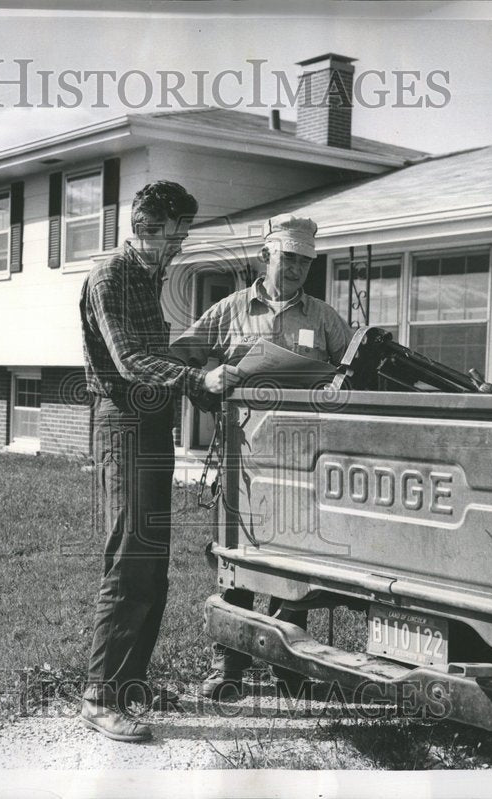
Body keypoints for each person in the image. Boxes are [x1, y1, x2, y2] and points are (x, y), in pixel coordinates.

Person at [78, 181, 241, 742]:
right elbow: (129, 360)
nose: (181, 245)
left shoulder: (148, 275)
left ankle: (131, 683)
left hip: (151, 424)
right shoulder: (113, 276)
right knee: (128, 558)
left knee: (153, 560)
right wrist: (196, 379)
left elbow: (158, 356)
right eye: (176, 233)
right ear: (146, 223)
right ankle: (100, 694)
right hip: (122, 424)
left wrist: (201, 380)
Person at [171, 213, 353, 699]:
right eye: (288, 258)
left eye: (305, 262)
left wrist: (335, 384)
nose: (295, 269)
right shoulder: (229, 311)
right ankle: (227, 666)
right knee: (237, 561)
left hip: (302, 461)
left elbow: (354, 377)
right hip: (243, 460)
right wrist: (207, 385)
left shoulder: (325, 319)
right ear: (264, 257)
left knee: (295, 564)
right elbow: (179, 359)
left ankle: (289, 666)